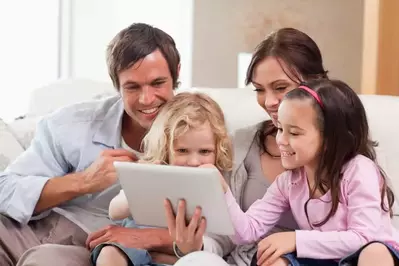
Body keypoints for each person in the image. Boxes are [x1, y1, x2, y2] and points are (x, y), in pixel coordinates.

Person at [0, 22, 181, 266]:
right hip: (36, 228)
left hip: (101, 246)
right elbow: (6, 189)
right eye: (132, 87)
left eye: (157, 83)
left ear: (176, 73)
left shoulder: (197, 130)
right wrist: (84, 181)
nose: (146, 99)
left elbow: (219, 227)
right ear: (116, 83)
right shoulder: (73, 123)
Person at [165, 28, 330, 265]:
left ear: (315, 83)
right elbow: (228, 236)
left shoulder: (344, 152)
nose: (269, 101)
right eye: (260, 90)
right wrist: (195, 246)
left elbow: (361, 235)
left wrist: (296, 240)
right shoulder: (240, 144)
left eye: (280, 87)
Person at [222, 79, 398, 266]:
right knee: (273, 260)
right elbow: (246, 232)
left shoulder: (359, 170)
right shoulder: (288, 182)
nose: (281, 140)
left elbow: (364, 237)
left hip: (368, 256)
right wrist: (222, 190)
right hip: (325, 259)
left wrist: (296, 239)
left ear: (330, 139)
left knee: (375, 253)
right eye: (280, 129)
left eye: (295, 133)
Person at [91, 92, 233, 266]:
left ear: (218, 150)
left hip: (180, 254)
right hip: (131, 247)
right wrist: (138, 187)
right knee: (109, 253)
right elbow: (114, 211)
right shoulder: (153, 169)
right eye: (182, 151)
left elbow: (222, 241)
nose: (194, 162)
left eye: (205, 151)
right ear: (165, 147)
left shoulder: (216, 183)